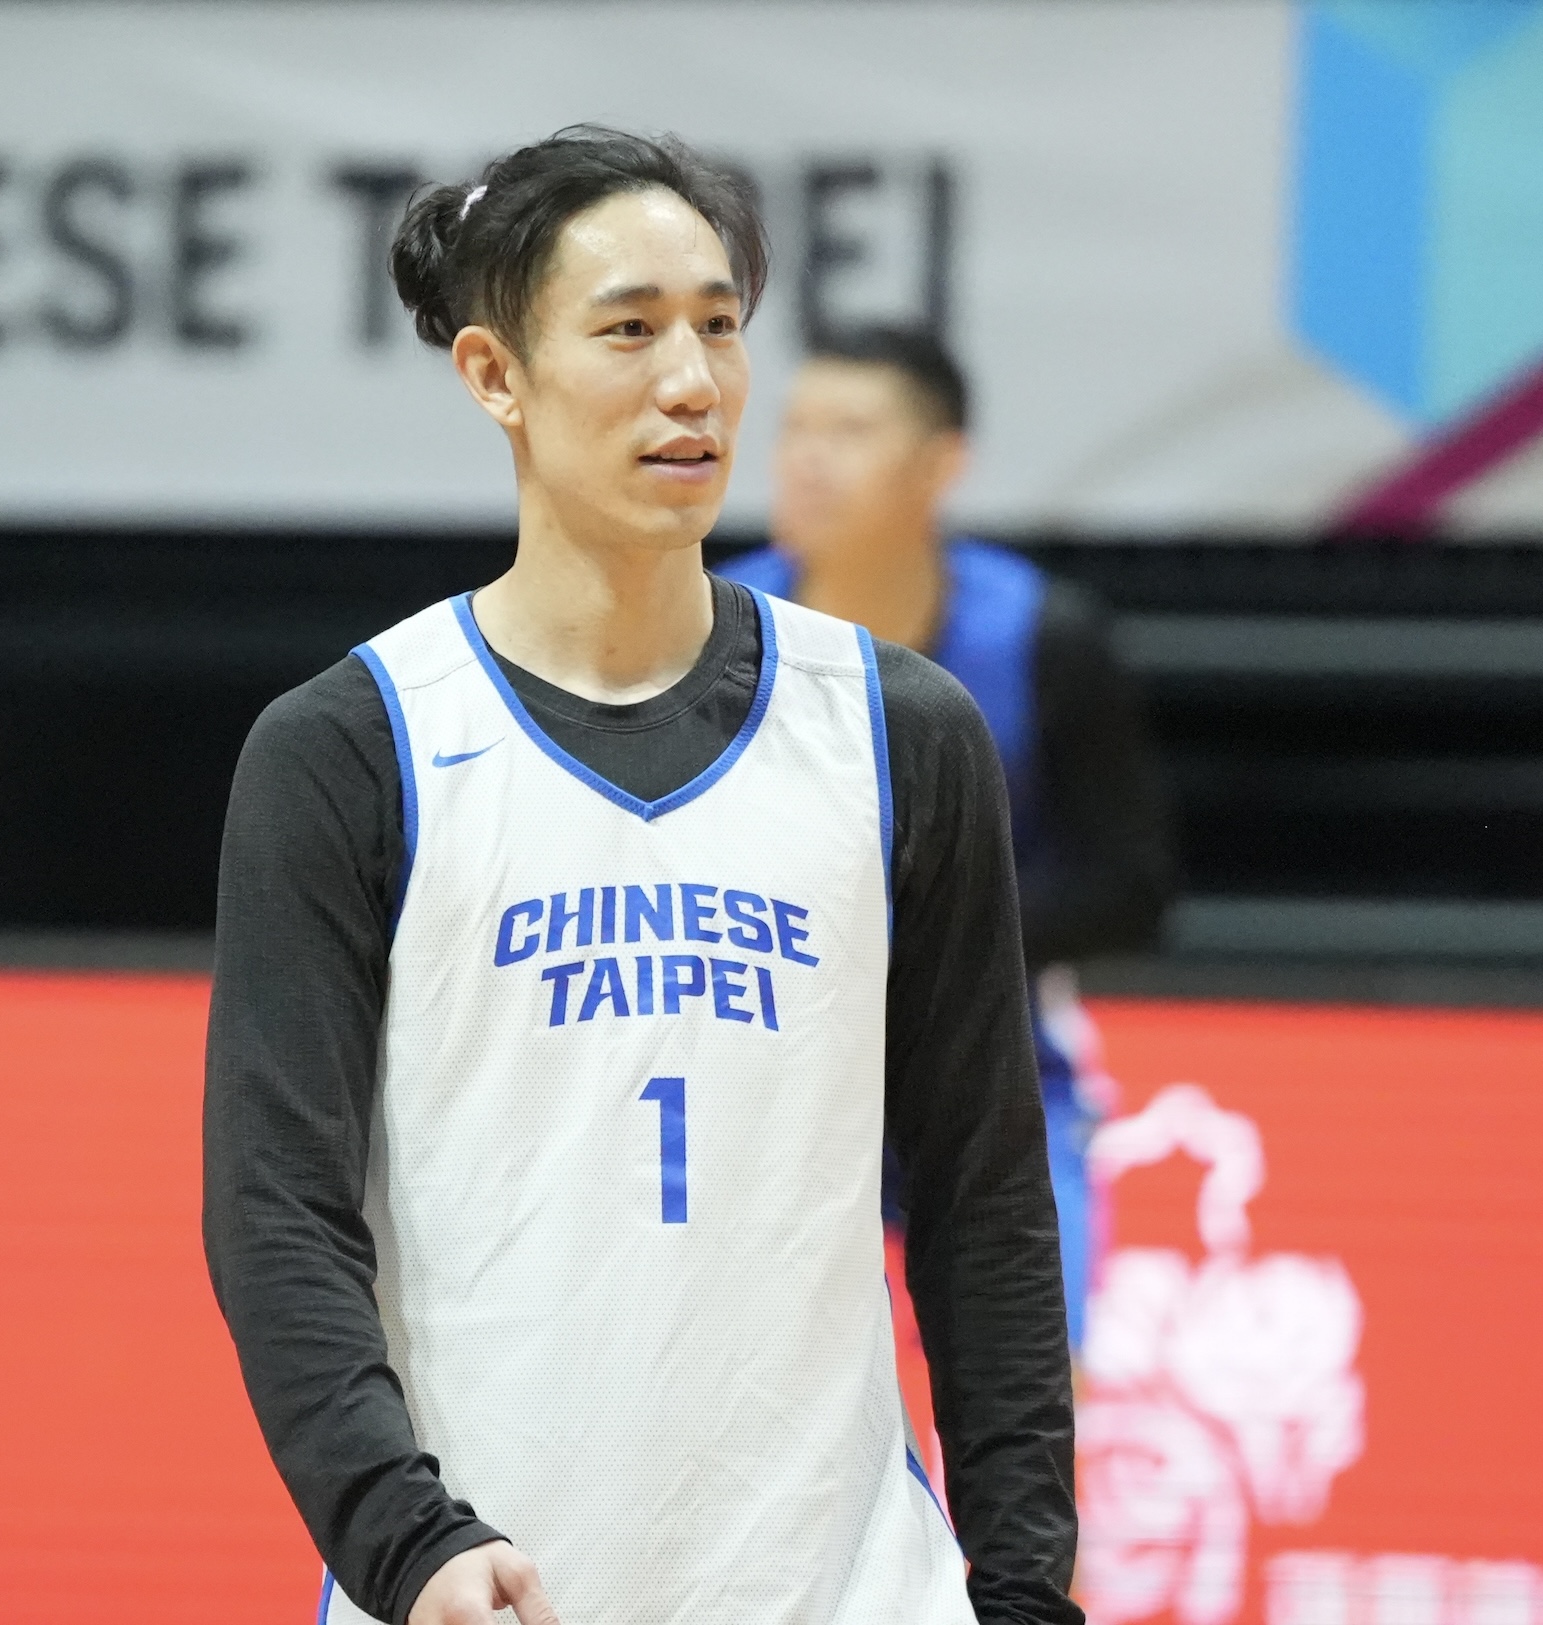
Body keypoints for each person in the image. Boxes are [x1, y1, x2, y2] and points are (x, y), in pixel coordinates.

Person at [203, 128, 1079, 1625]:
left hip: (846, 1589)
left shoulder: (898, 731)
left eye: (718, 325)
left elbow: (983, 1204)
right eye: (629, 331)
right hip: (484, 1591)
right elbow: (275, 1211)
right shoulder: (351, 747)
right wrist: (404, 1540)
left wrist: (1026, 1593)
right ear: (494, 375)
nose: (692, 380)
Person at [718, 328, 1175, 1393]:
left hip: (985, 1076)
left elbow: (1132, 891)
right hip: (763, 1086)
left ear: (940, 464)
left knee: (1030, 1422)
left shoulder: (1042, 636)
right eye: (794, 428)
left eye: (850, 430)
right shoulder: (705, 629)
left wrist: (926, 934)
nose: (807, 457)